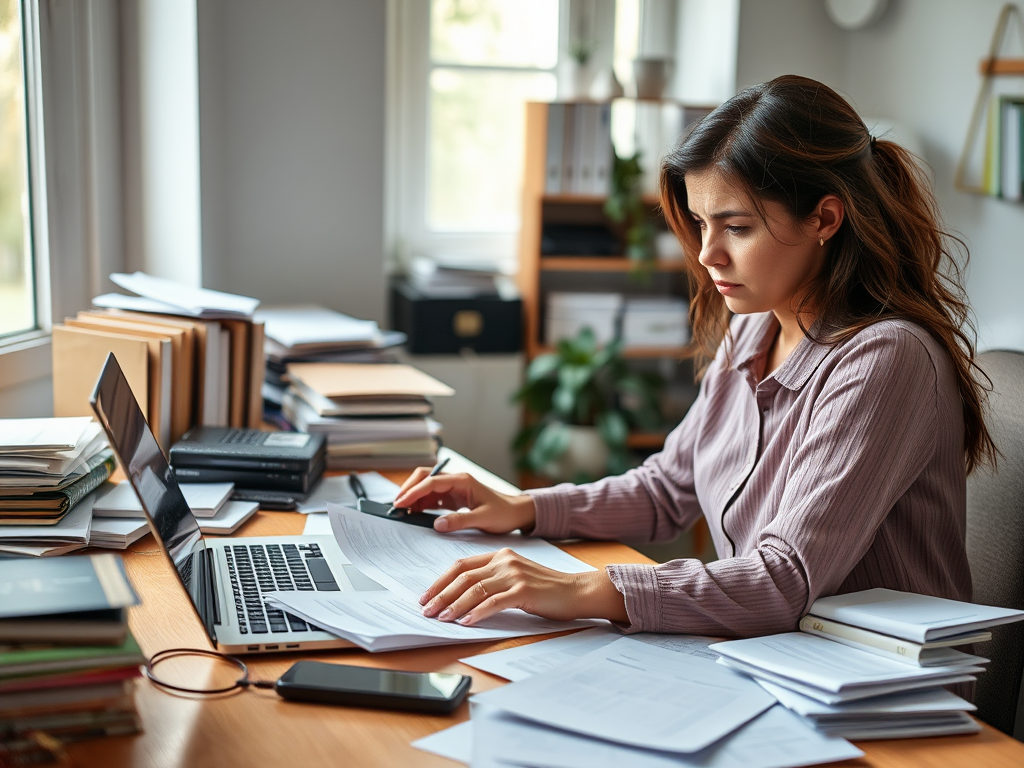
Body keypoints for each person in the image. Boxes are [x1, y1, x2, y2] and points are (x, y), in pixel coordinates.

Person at [393, 75, 996, 638]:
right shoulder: (754, 331)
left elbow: (783, 579)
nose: (708, 255)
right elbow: (667, 490)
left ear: (825, 218)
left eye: (736, 228)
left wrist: (583, 587)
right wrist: (521, 506)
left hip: (879, 687)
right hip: (781, 656)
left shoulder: (885, 358)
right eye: (702, 224)